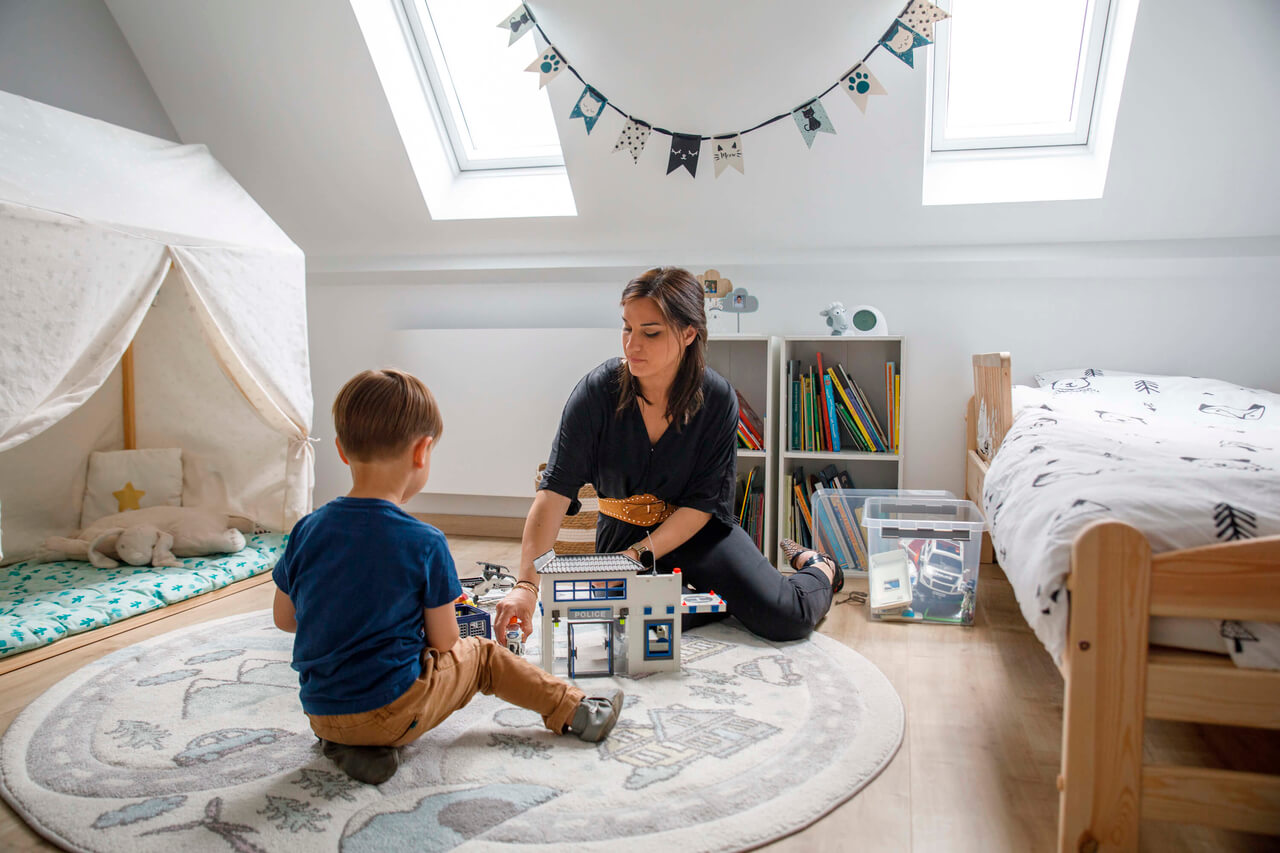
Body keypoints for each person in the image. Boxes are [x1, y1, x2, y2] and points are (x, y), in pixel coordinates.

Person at [272, 369, 624, 785]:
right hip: (393, 710)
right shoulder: (424, 542)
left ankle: (354, 749)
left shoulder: (306, 531)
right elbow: (445, 642)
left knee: (359, 704)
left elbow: (286, 619)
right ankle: (578, 710)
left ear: (342, 451)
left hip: (322, 712)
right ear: (422, 452)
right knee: (484, 656)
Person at [496, 267, 843, 647]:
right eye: (627, 328)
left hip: (698, 533)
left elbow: (703, 504)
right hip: (623, 537)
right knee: (624, 626)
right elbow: (553, 493)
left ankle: (820, 567)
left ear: (689, 333)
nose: (632, 345)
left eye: (651, 332)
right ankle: (720, 599)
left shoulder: (717, 398)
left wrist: (638, 557)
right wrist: (527, 585)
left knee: (785, 618)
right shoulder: (597, 392)